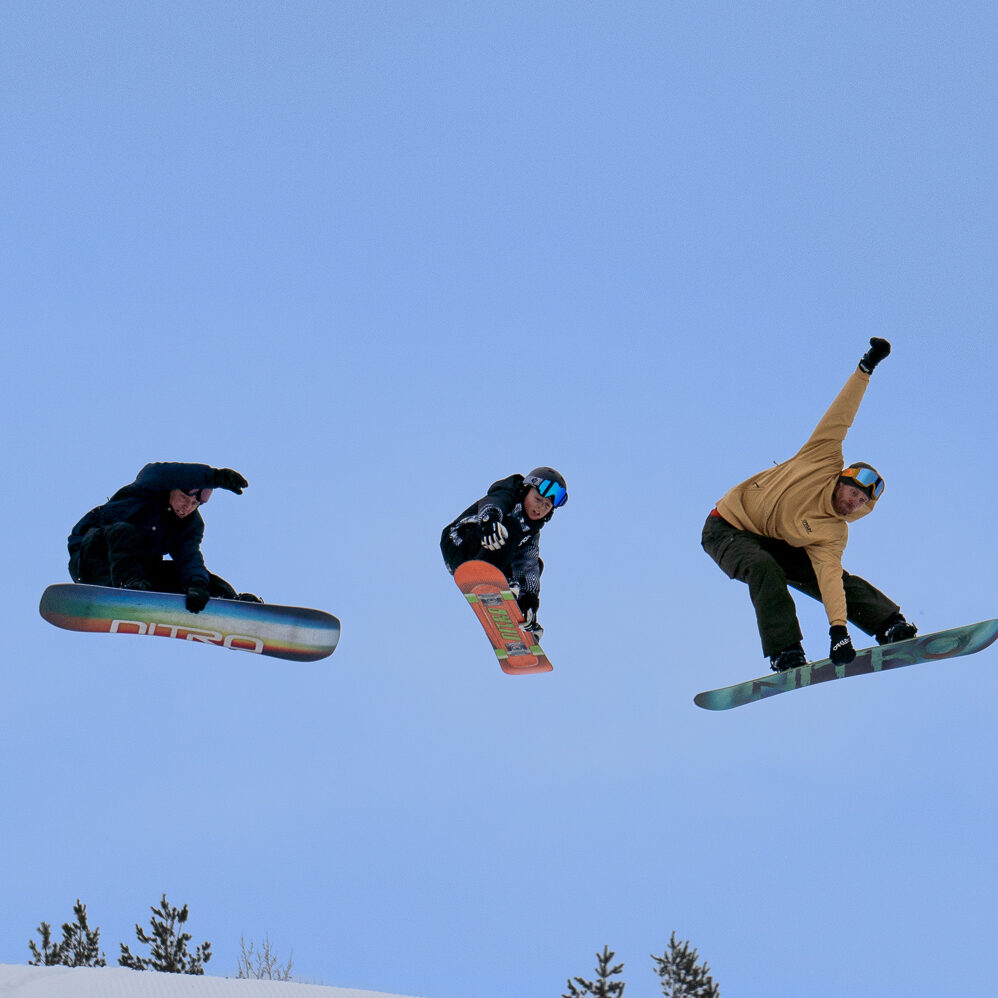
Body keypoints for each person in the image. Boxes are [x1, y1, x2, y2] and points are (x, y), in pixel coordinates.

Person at [701, 338, 917, 672]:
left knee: (834, 579)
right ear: (841, 480)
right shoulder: (822, 457)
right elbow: (842, 413)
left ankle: (889, 624)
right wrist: (866, 368)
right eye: (853, 493)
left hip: (776, 541)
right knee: (763, 568)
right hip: (727, 528)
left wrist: (838, 631)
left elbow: (828, 579)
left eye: (862, 502)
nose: (854, 503)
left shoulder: (833, 533)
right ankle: (785, 651)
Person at [68, 462, 260, 613]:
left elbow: (188, 558)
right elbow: (167, 473)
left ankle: (230, 604)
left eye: (195, 503)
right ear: (172, 489)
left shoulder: (190, 525)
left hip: (139, 575)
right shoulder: (147, 489)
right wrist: (214, 477)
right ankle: (129, 587)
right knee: (123, 532)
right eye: (184, 498)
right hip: (92, 560)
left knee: (193, 577)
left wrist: (197, 585)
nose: (188, 506)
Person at [441, 467, 568, 640]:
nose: (540, 508)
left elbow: (527, 564)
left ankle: (522, 622)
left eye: (547, 505)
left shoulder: (531, 532)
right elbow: (495, 501)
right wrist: (490, 520)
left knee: (535, 563)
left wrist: (530, 602)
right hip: (460, 542)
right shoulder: (510, 493)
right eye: (538, 499)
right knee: (512, 528)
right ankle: (493, 577)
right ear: (525, 491)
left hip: (486, 555)